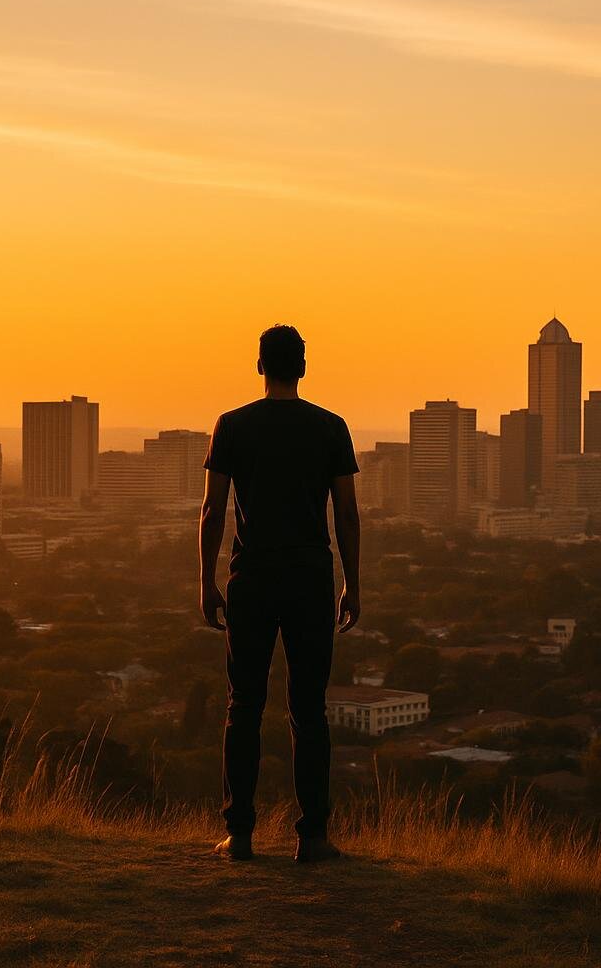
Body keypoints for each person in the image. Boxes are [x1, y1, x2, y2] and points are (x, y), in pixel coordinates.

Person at [199, 324, 361, 863]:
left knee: (243, 704)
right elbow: (346, 513)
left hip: (251, 578)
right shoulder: (330, 428)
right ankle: (312, 836)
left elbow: (212, 510)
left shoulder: (233, 426)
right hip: (310, 579)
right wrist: (352, 584)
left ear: (260, 366)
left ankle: (239, 833)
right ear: (303, 367)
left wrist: (205, 581)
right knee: (308, 710)